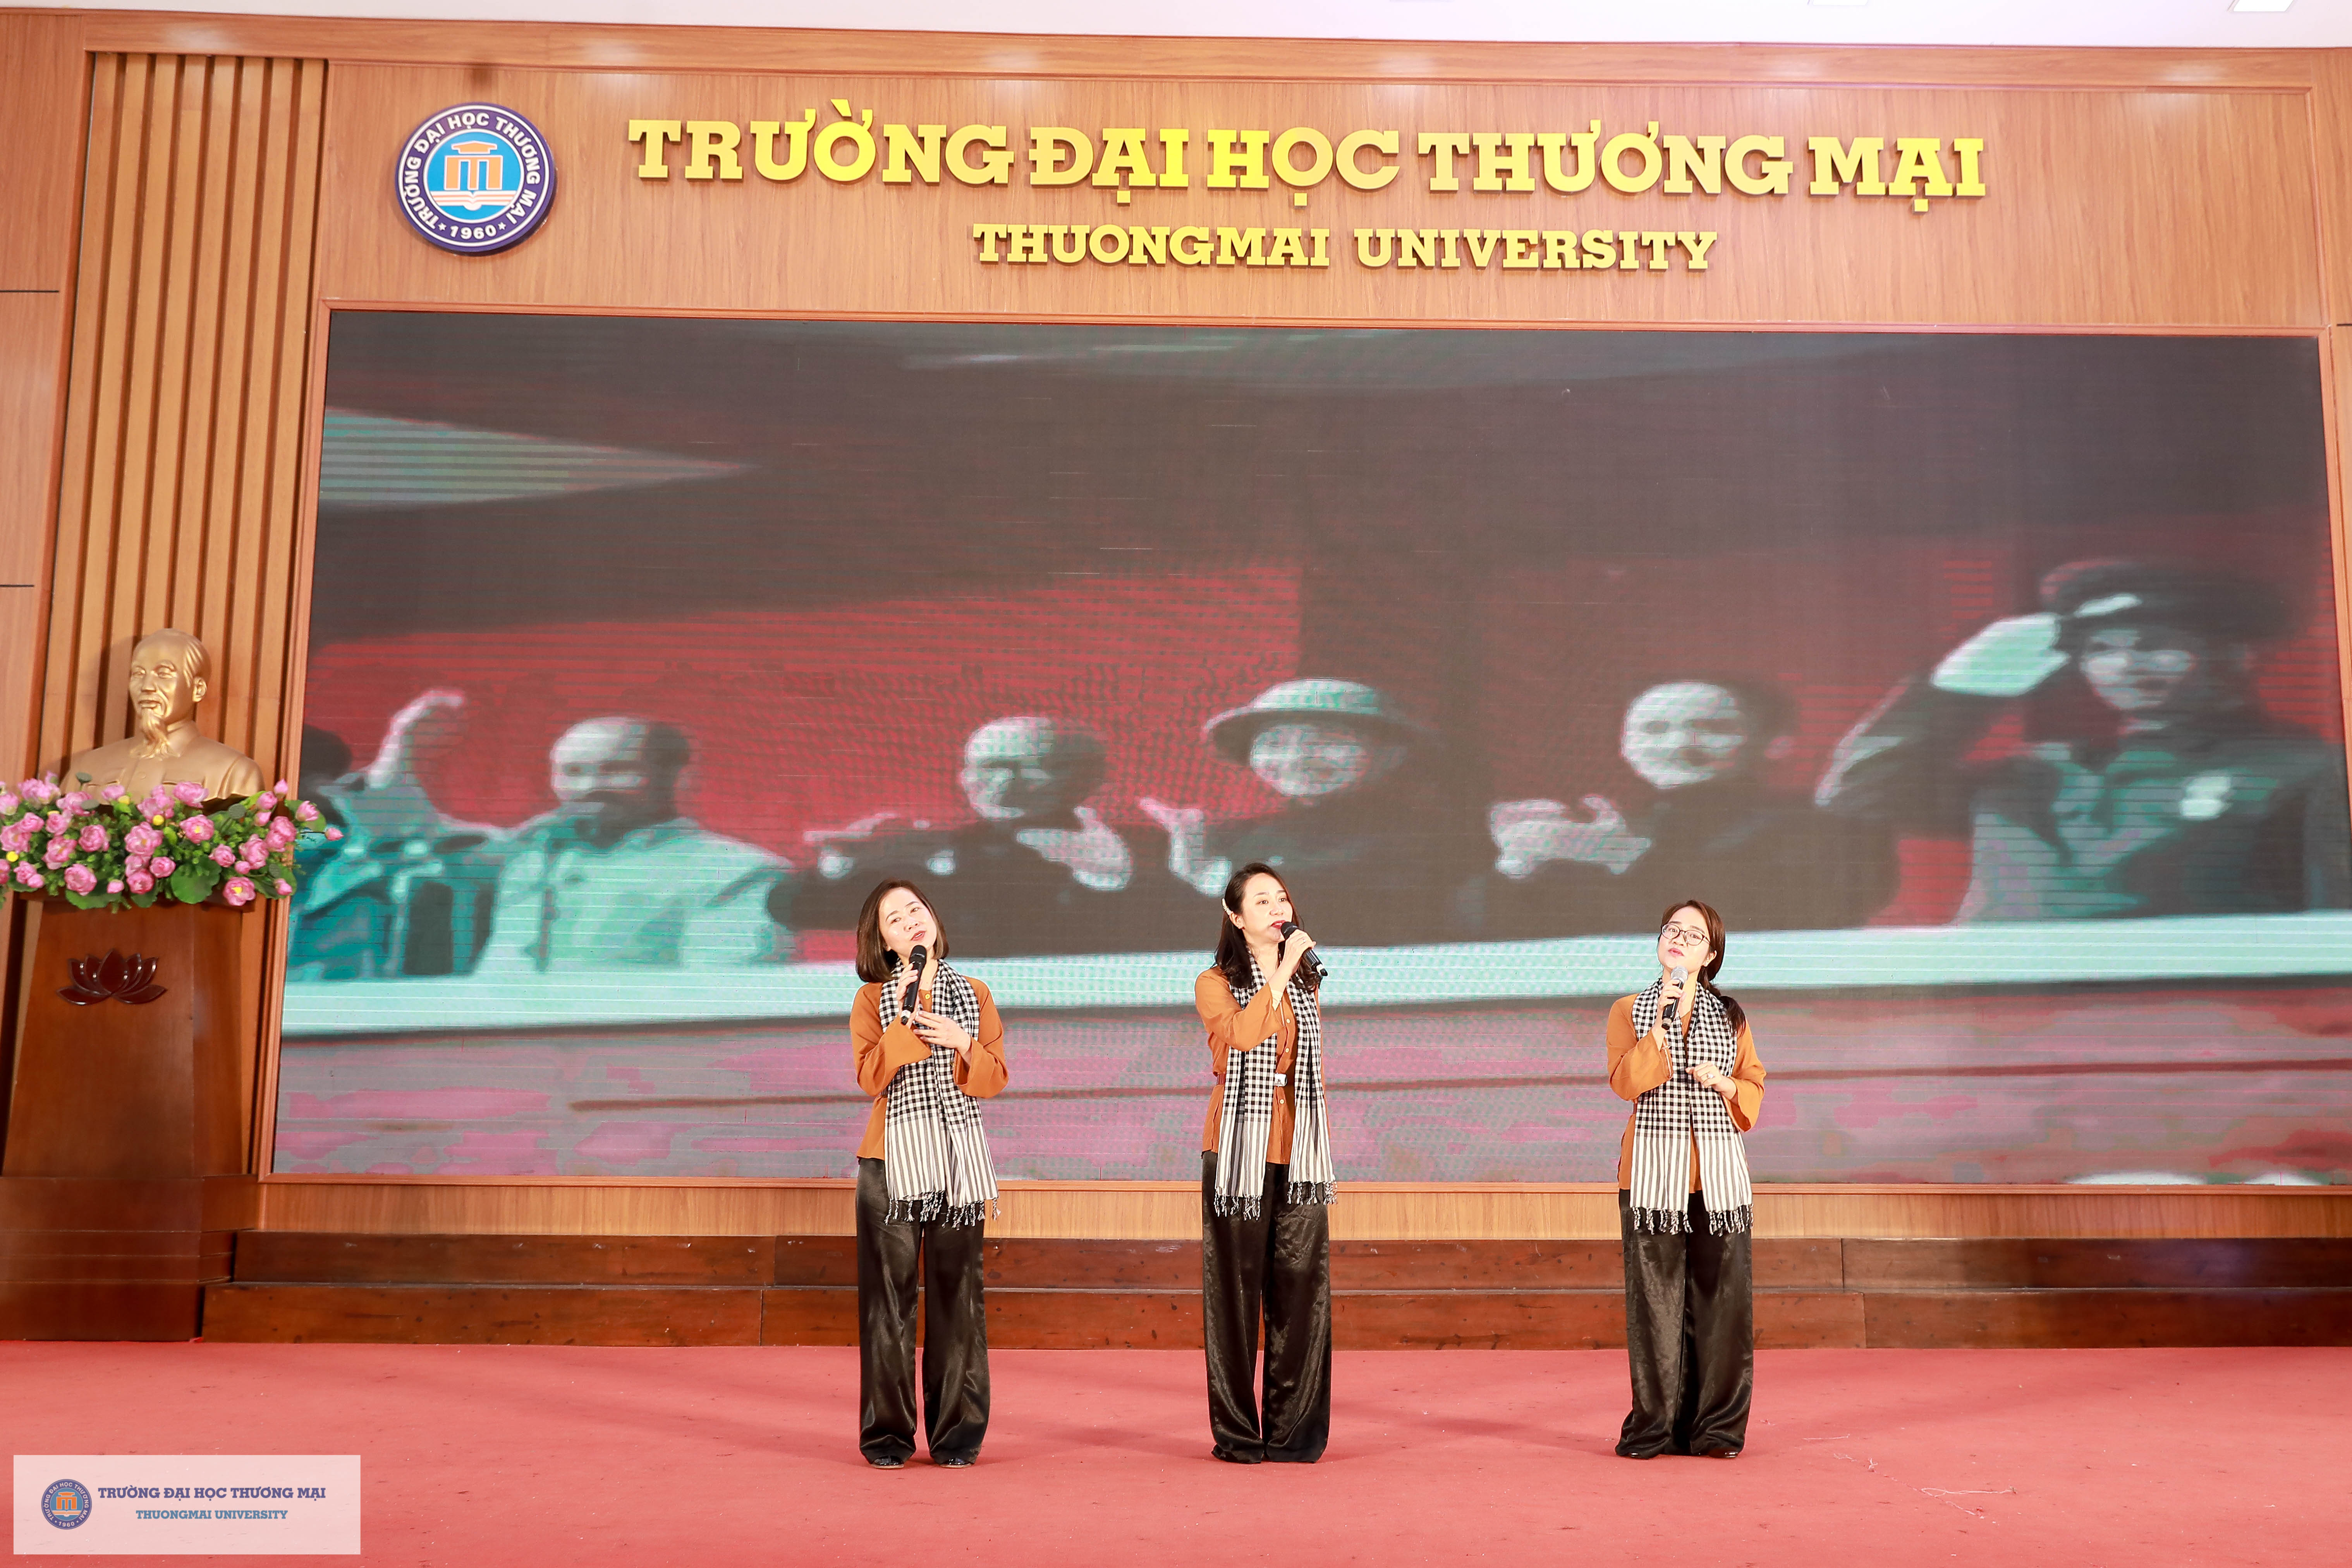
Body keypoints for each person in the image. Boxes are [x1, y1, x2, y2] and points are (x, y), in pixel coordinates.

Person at [1815, 561, 2351, 921]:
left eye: (2155, 644)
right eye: (2100, 649)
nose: (2125, 665)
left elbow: (2335, 922)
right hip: (2003, 1023)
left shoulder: (2306, 770)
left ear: (2237, 656)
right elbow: (1860, 791)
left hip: (2197, 1024)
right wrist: (1956, 694)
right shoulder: (2040, 773)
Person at [314, 690, 792, 970]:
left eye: (617, 770)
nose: (589, 787)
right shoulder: (527, 852)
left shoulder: (738, 872)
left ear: (678, 778)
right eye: (573, 772)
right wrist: (403, 746)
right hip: (485, 1058)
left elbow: (724, 993)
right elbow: (404, 835)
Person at [1488, 678, 1897, 935]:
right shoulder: (1600, 834)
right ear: (1625, 746)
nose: (1679, 746)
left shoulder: (1831, 827)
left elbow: (1775, 918)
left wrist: (1623, 856)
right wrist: (1519, 863)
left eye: (1712, 728)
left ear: (1773, 743)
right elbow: (1485, 938)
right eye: (1654, 729)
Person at [847, 879, 1008, 1468]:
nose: (910, 920)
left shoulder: (976, 992)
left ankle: (957, 1436)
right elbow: (869, 1077)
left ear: (933, 918)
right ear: (885, 944)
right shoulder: (872, 999)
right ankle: (887, 1436)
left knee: (958, 1299)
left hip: (958, 1160)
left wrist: (963, 1041)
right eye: (895, 919)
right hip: (890, 1165)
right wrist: (903, 1014)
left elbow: (994, 1077)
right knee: (888, 1304)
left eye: (914, 908)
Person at [792, 715, 1173, 955]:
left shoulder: (1157, 848)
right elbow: (803, 910)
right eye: (986, 768)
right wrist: (843, 864)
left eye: (1028, 767)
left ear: (1090, 776)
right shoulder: (943, 855)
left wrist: (1110, 875)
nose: (1003, 784)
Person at [1605, 898, 1765, 1461]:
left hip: (1718, 1179)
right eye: (1671, 929)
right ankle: (1656, 1427)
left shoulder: (1732, 1016)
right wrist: (1659, 1028)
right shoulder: (1630, 1009)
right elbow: (1625, 1082)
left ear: (1710, 953)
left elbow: (1753, 1083)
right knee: (1655, 1304)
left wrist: (1726, 1084)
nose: (1678, 938)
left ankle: (1716, 1430)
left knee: (1722, 1305)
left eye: (1693, 935)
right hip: (1652, 1176)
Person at [1191, 862, 1337, 1464]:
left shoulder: (1305, 982)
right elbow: (1245, 1036)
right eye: (1261, 901)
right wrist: (1279, 973)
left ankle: (1294, 1432)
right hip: (1238, 1148)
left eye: (1281, 898)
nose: (1278, 909)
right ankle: (1237, 1433)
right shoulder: (1213, 982)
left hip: (1299, 1148)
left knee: (1301, 1289)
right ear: (1235, 916)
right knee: (1234, 1293)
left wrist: (1288, 972)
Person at [1145, 678, 1465, 948]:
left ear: (1392, 754)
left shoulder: (1419, 833)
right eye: (1274, 743)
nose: (1296, 759)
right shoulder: (1254, 838)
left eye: (1327, 740)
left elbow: (1356, 908)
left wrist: (1214, 876)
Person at [67, 629, 265, 802]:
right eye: (138, 674)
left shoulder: (235, 773)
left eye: (163, 674)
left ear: (197, 689)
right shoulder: (88, 767)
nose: (147, 687)